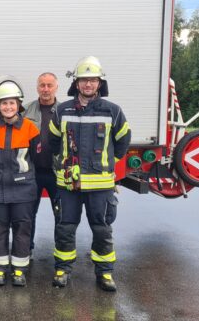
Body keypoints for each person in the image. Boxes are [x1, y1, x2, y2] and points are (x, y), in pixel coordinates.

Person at [48, 56, 131, 292]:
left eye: (92, 80)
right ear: (76, 83)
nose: (88, 85)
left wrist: (106, 164)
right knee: (65, 227)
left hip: (101, 185)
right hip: (68, 185)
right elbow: (54, 141)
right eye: (83, 80)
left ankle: (104, 274)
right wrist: (62, 164)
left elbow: (123, 142)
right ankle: (62, 269)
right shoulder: (61, 110)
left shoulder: (113, 111)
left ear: (99, 83)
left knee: (102, 229)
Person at [0, 77, 40, 287]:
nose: (8, 107)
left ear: (18, 105)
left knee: (23, 229)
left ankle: (19, 271)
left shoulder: (31, 129)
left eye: (12, 103)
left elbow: (36, 158)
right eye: (4, 103)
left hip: (23, 189)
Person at [22, 72, 60, 254]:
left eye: (49, 85)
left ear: (56, 87)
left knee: (61, 215)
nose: (45, 89)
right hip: (32, 171)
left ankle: (62, 252)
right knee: (28, 215)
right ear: (37, 87)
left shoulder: (65, 111)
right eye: (42, 85)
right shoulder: (26, 110)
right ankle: (26, 251)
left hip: (57, 172)